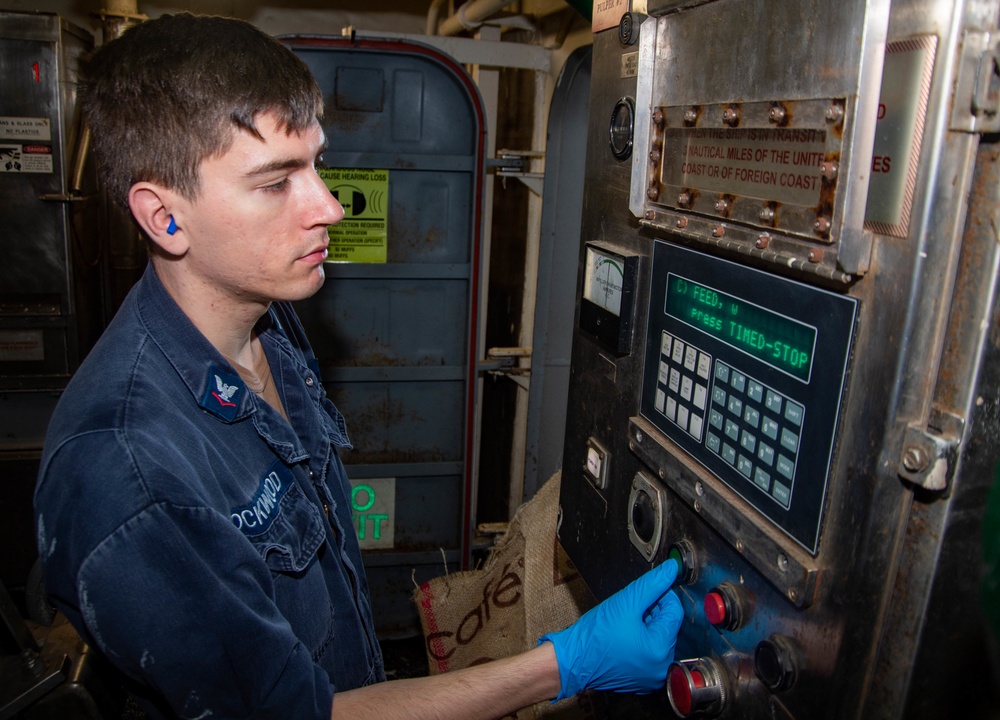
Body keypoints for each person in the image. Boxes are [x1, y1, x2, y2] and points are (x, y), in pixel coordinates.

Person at [33, 13, 684, 720]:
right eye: (277, 181)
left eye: (315, 164)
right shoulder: (128, 473)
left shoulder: (265, 316)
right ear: (164, 218)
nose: (331, 208)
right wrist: (567, 663)